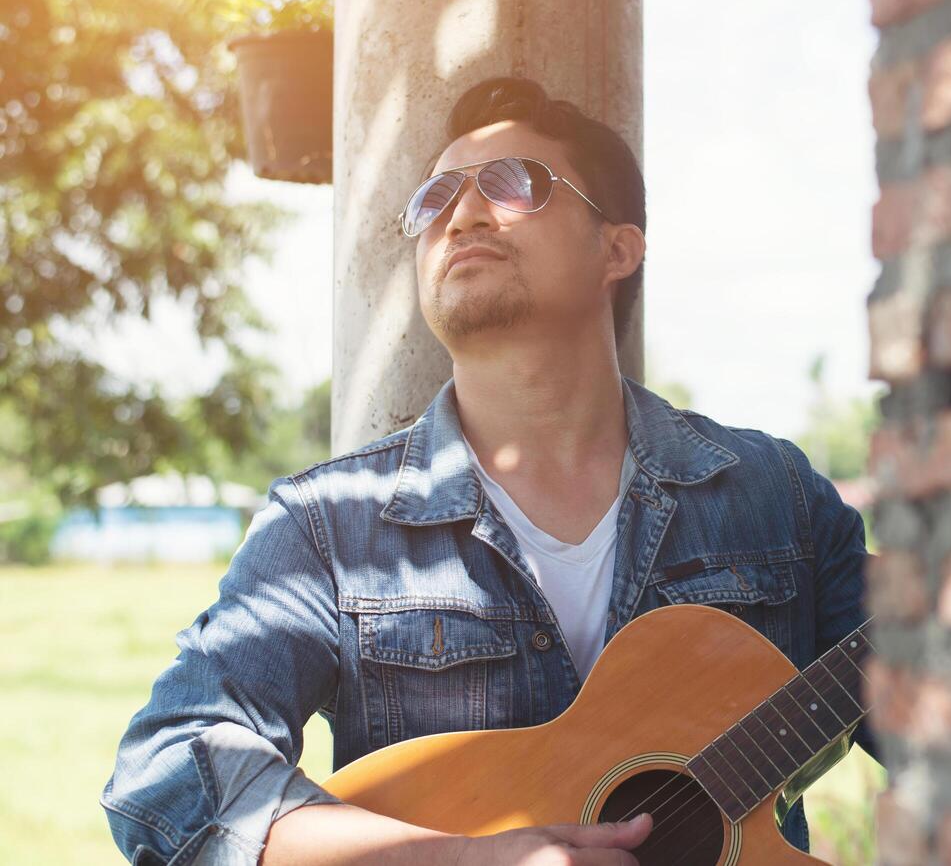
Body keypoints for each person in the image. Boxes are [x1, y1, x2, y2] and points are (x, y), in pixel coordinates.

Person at [100, 76, 879, 865]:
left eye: (513, 184)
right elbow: (169, 771)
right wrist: (459, 859)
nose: (462, 213)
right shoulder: (330, 522)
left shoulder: (773, 496)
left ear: (618, 247)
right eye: (435, 200)